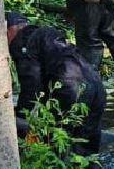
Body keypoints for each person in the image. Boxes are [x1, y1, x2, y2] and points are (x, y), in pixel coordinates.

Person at [7, 13, 105, 155]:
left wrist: (21, 118)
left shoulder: (22, 42)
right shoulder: (46, 34)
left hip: (70, 88)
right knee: (86, 149)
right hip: (95, 84)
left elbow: (31, 85)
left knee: (57, 143)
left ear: (8, 31)